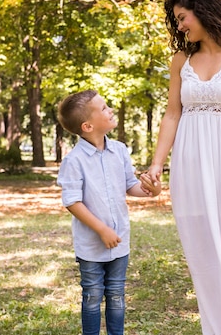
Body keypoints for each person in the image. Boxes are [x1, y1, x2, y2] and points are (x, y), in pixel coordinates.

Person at [141, 0, 221, 335]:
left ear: (203, 11)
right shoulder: (181, 61)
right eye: (176, 20)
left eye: (182, 17)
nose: (179, 26)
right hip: (190, 164)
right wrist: (156, 164)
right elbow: (172, 115)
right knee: (202, 253)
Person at [56, 90, 161, 335]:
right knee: (92, 295)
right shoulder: (74, 161)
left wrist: (151, 191)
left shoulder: (120, 150)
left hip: (119, 240)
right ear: (88, 125)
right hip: (91, 245)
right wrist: (102, 230)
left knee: (116, 295)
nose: (110, 110)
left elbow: (130, 185)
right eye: (103, 108)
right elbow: (72, 202)